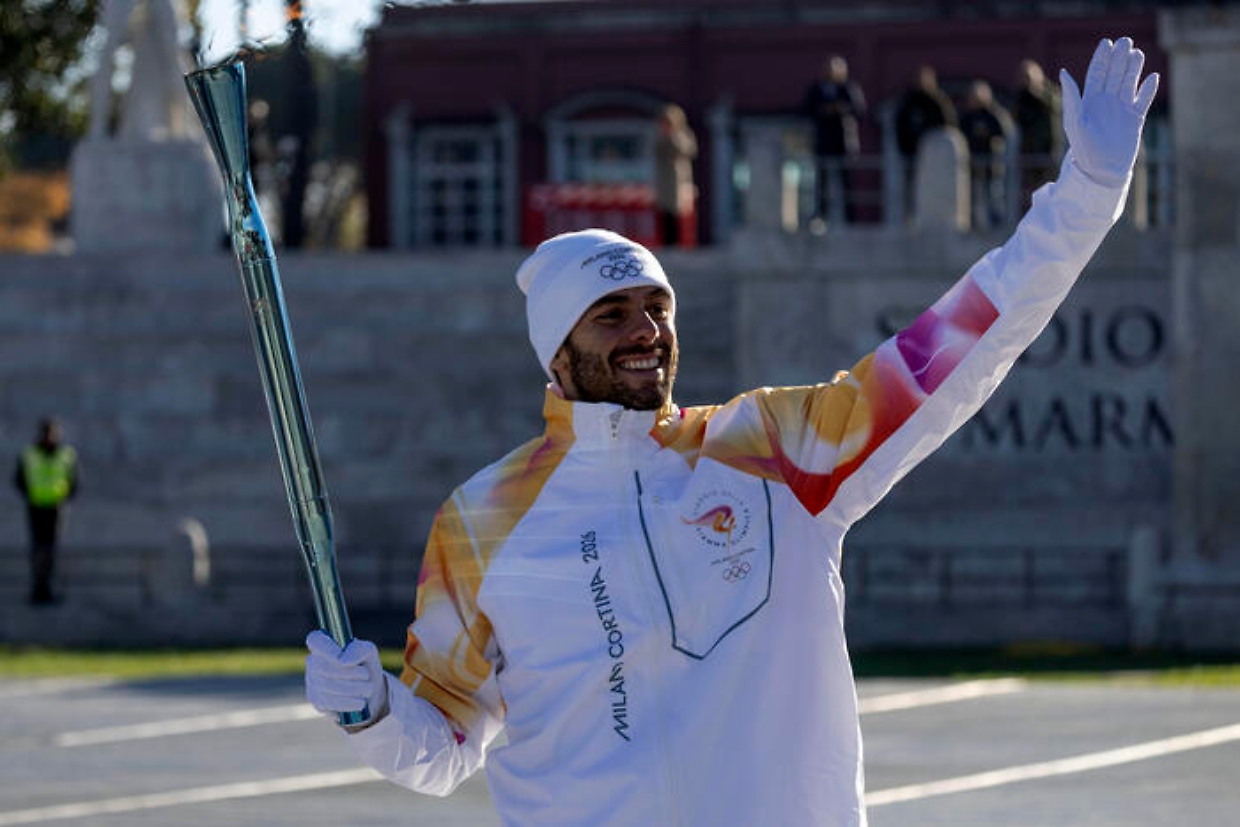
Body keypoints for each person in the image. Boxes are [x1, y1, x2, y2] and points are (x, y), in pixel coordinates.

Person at [305, 38, 1157, 827]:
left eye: (657, 308)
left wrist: (1081, 202)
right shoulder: (483, 518)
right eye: (612, 315)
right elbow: (446, 742)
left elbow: (950, 347)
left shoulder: (774, 451)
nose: (646, 331)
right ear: (558, 352)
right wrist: (373, 712)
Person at [13, 418, 78, 604]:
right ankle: (38, 587)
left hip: (56, 507)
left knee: (51, 548)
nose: (51, 437)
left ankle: (48, 586)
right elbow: (19, 479)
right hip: (36, 506)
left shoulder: (66, 454)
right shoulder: (29, 453)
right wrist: (31, 494)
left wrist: (64, 495)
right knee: (39, 548)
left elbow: (73, 479)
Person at [803, 55, 866, 229]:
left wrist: (841, 109)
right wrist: (824, 110)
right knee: (821, 181)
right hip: (824, 142)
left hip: (844, 143)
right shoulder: (816, 90)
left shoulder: (849, 88)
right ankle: (820, 217)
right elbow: (806, 110)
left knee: (846, 182)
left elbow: (859, 110)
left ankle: (850, 219)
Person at [894, 64, 958, 219]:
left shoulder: (938, 101)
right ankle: (909, 217)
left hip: (934, 161)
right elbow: (900, 125)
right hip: (911, 154)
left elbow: (949, 123)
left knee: (933, 190)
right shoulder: (909, 101)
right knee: (910, 187)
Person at [959, 80, 1015, 228]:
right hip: (972, 165)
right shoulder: (966, 118)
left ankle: (997, 225)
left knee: (994, 195)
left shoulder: (994, 116)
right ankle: (972, 225)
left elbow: (1004, 135)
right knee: (971, 196)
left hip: (992, 165)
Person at [1014, 58, 1064, 201]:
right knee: (1030, 193)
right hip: (1029, 152)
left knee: (1050, 190)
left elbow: (1055, 108)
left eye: (1028, 77)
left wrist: (1037, 92)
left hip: (1048, 151)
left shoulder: (1050, 93)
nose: (1026, 81)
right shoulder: (1022, 97)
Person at [653, 104, 698, 248]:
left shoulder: (682, 136)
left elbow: (688, 151)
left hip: (679, 179)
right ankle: (667, 243)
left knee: (678, 211)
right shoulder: (660, 137)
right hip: (664, 180)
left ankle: (680, 243)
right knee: (665, 211)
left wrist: (673, 136)